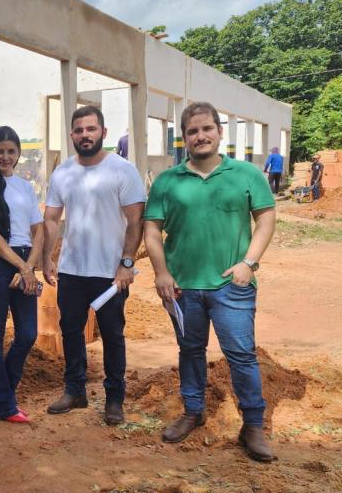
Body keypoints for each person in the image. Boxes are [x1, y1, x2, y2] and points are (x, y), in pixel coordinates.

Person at [143, 101, 277, 462]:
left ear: (219, 132)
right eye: (192, 131)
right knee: (190, 351)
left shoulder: (247, 174)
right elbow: (152, 230)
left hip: (231, 287)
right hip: (183, 288)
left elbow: (265, 220)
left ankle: (253, 425)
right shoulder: (168, 181)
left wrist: (248, 263)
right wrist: (162, 273)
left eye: (206, 129)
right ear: (183, 138)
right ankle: (193, 410)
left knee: (241, 356)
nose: (200, 136)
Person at [42, 105, 146, 425]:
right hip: (72, 269)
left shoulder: (122, 170)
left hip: (110, 272)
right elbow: (50, 218)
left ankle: (114, 398)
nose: (85, 135)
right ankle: (75, 391)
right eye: (79, 130)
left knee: (113, 334)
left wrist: (126, 263)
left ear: (103, 132)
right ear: (72, 135)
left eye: (91, 129)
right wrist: (47, 256)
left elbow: (135, 220)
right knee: (70, 330)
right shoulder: (63, 173)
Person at [0, 126, 44, 423]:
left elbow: (38, 231)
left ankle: (3, 391)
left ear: (18, 154)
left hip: (24, 261)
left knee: (28, 334)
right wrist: (22, 267)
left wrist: (30, 267)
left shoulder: (26, 187)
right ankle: (3, 404)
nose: (5, 156)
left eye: (11, 151)